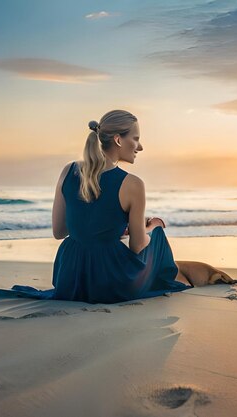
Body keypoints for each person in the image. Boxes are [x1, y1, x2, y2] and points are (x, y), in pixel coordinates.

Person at [11, 110, 193, 303]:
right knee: (157, 234)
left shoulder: (68, 171)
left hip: (69, 277)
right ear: (118, 140)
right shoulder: (133, 184)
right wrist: (151, 227)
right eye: (136, 139)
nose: (140, 147)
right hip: (110, 283)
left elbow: (59, 232)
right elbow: (137, 246)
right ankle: (164, 277)